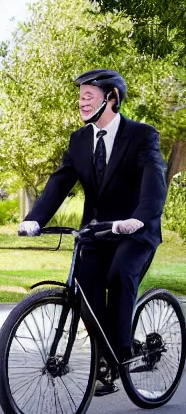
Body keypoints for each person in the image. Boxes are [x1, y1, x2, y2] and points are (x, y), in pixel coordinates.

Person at [18, 69, 167, 396]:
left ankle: (123, 350)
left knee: (119, 273)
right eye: (80, 95)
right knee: (85, 286)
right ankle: (104, 359)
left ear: (112, 98)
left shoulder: (142, 135)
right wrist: (36, 219)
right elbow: (59, 183)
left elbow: (155, 184)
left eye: (90, 95)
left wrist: (140, 219)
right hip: (98, 232)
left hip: (134, 231)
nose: (82, 101)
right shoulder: (79, 140)